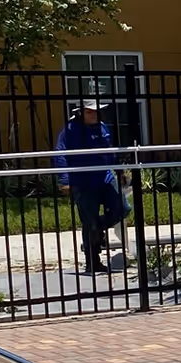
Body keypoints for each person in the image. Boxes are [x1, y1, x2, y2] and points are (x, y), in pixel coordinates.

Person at [54, 99, 131, 273]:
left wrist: (120, 171)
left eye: (96, 111)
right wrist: (65, 181)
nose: (94, 114)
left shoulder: (102, 127)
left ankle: (99, 226)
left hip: (105, 177)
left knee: (123, 208)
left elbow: (109, 151)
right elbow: (60, 155)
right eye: (90, 112)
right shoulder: (69, 131)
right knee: (88, 221)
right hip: (83, 181)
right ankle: (93, 261)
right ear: (80, 112)